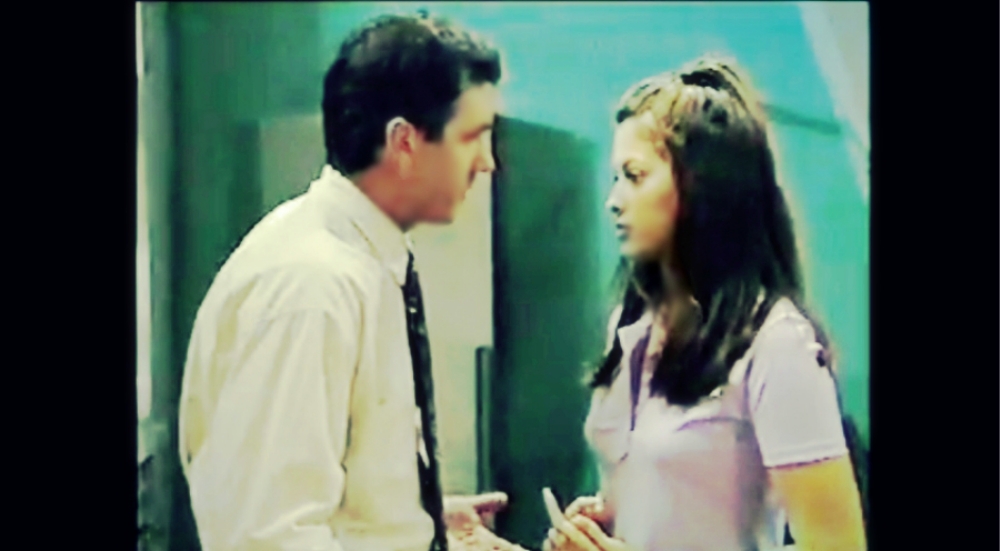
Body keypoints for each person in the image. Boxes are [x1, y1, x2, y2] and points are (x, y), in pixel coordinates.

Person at [178, 12, 513, 551]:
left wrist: (415, 523)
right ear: (405, 143)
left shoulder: (364, 262)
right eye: (472, 137)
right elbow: (268, 538)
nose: (488, 162)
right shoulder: (310, 286)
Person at [542, 56, 867, 551]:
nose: (614, 199)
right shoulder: (631, 327)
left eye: (634, 176)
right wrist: (594, 529)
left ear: (700, 185)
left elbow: (838, 546)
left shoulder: (776, 344)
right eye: (615, 178)